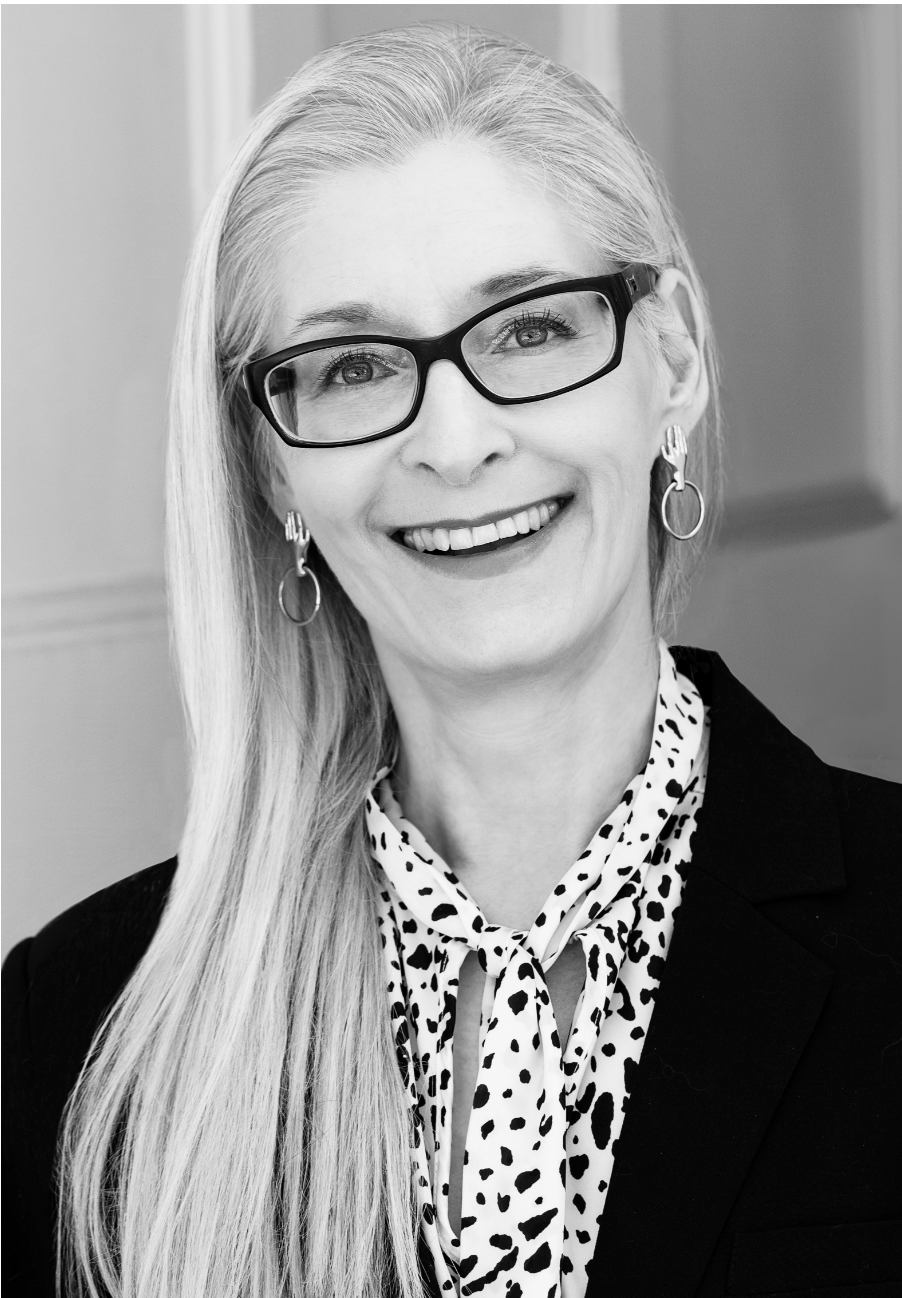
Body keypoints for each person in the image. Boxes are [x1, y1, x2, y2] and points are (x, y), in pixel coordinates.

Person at [4, 22, 900, 1298]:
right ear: (273, 466)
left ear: (673, 362)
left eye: (528, 329)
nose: (457, 439)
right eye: (355, 366)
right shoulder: (78, 1030)